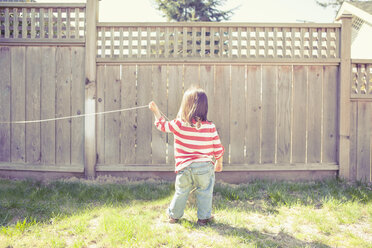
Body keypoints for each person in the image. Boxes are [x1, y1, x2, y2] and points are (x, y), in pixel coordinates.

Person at [149, 86, 224, 226]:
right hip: (205, 168)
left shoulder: (179, 124)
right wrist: (219, 163)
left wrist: (156, 112)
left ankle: (173, 217)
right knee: (205, 192)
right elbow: (218, 148)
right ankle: (203, 218)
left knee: (181, 192)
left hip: (184, 168)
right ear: (205, 107)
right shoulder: (210, 127)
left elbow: (162, 126)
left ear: (185, 105)